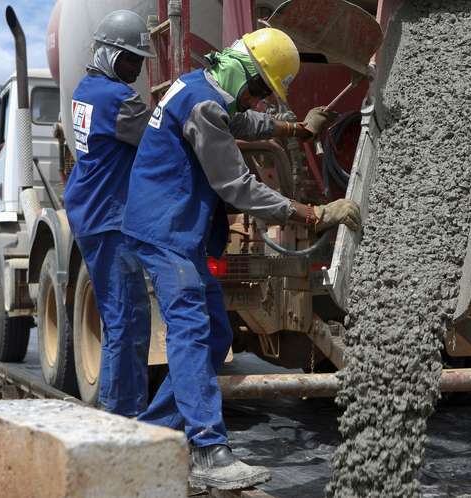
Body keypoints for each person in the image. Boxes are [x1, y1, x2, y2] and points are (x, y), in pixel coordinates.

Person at [121, 28, 361, 490]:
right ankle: (209, 450)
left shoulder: (200, 87)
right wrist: (311, 212)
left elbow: (240, 122)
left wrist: (293, 127)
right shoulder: (204, 105)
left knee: (215, 336)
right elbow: (237, 186)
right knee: (192, 332)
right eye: (257, 90)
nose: (255, 101)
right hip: (167, 231)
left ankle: (149, 437)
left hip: (178, 230)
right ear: (244, 72)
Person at [63, 10, 154, 417]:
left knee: (123, 319)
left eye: (138, 62)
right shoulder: (117, 99)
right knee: (126, 321)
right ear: (107, 54)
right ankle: (121, 416)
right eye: (130, 60)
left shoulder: (85, 88)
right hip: (109, 218)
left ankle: (124, 410)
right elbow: (160, 138)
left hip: (91, 211)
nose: (135, 70)